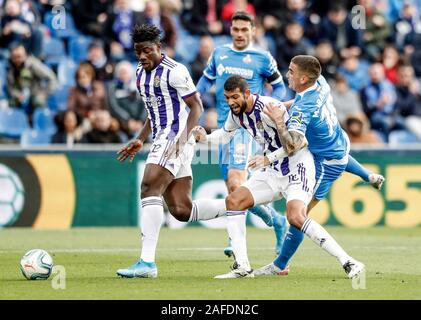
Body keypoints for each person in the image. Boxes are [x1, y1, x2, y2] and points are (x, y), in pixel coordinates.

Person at [250, 56, 378, 278]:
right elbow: (299, 103)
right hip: (338, 143)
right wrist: (280, 106)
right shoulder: (320, 83)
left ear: (303, 77)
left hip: (325, 162)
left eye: (290, 71)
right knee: (337, 160)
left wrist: (279, 121)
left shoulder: (303, 109)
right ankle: (368, 176)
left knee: (298, 216)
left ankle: (340, 262)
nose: (286, 74)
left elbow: (293, 145)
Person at [115, 24, 226, 278]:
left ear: (158, 48)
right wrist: (140, 138)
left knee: (148, 187)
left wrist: (182, 139)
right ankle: (237, 204)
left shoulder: (176, 71)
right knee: (181, 209)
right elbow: (153, 111)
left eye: (147, 51)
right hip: (160, 138)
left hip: (177, 135)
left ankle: (147, 263)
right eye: (137, 52)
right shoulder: (140, 73)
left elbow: (196, 106)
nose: (142, 56)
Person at [192, 75, 316, 278]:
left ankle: (347, 261)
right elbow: (223, 135)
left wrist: (267, 158)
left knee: (297, 217)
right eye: (226, 98)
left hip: (296, 165)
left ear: (247, 93)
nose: (230, 102)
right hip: (272, 170)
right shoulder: (237, 114)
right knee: (235, 199)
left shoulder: (269, 107)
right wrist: (204, 138)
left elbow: (294, 144)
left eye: (234, 97)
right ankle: (242, 267)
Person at [196, 11, 288, 257]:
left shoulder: (262, 57)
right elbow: (205, 82)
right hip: (225, 127)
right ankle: (276, 220)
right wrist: (192, 100)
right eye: (235, 29)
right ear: (230, 30)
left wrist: (270, 107)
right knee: (231, 185)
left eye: (244, 30)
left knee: (237, 181)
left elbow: (280, 87)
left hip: (247, 127)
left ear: (253, 31)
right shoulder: (219, 53)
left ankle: (234, 240)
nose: (239, 34)